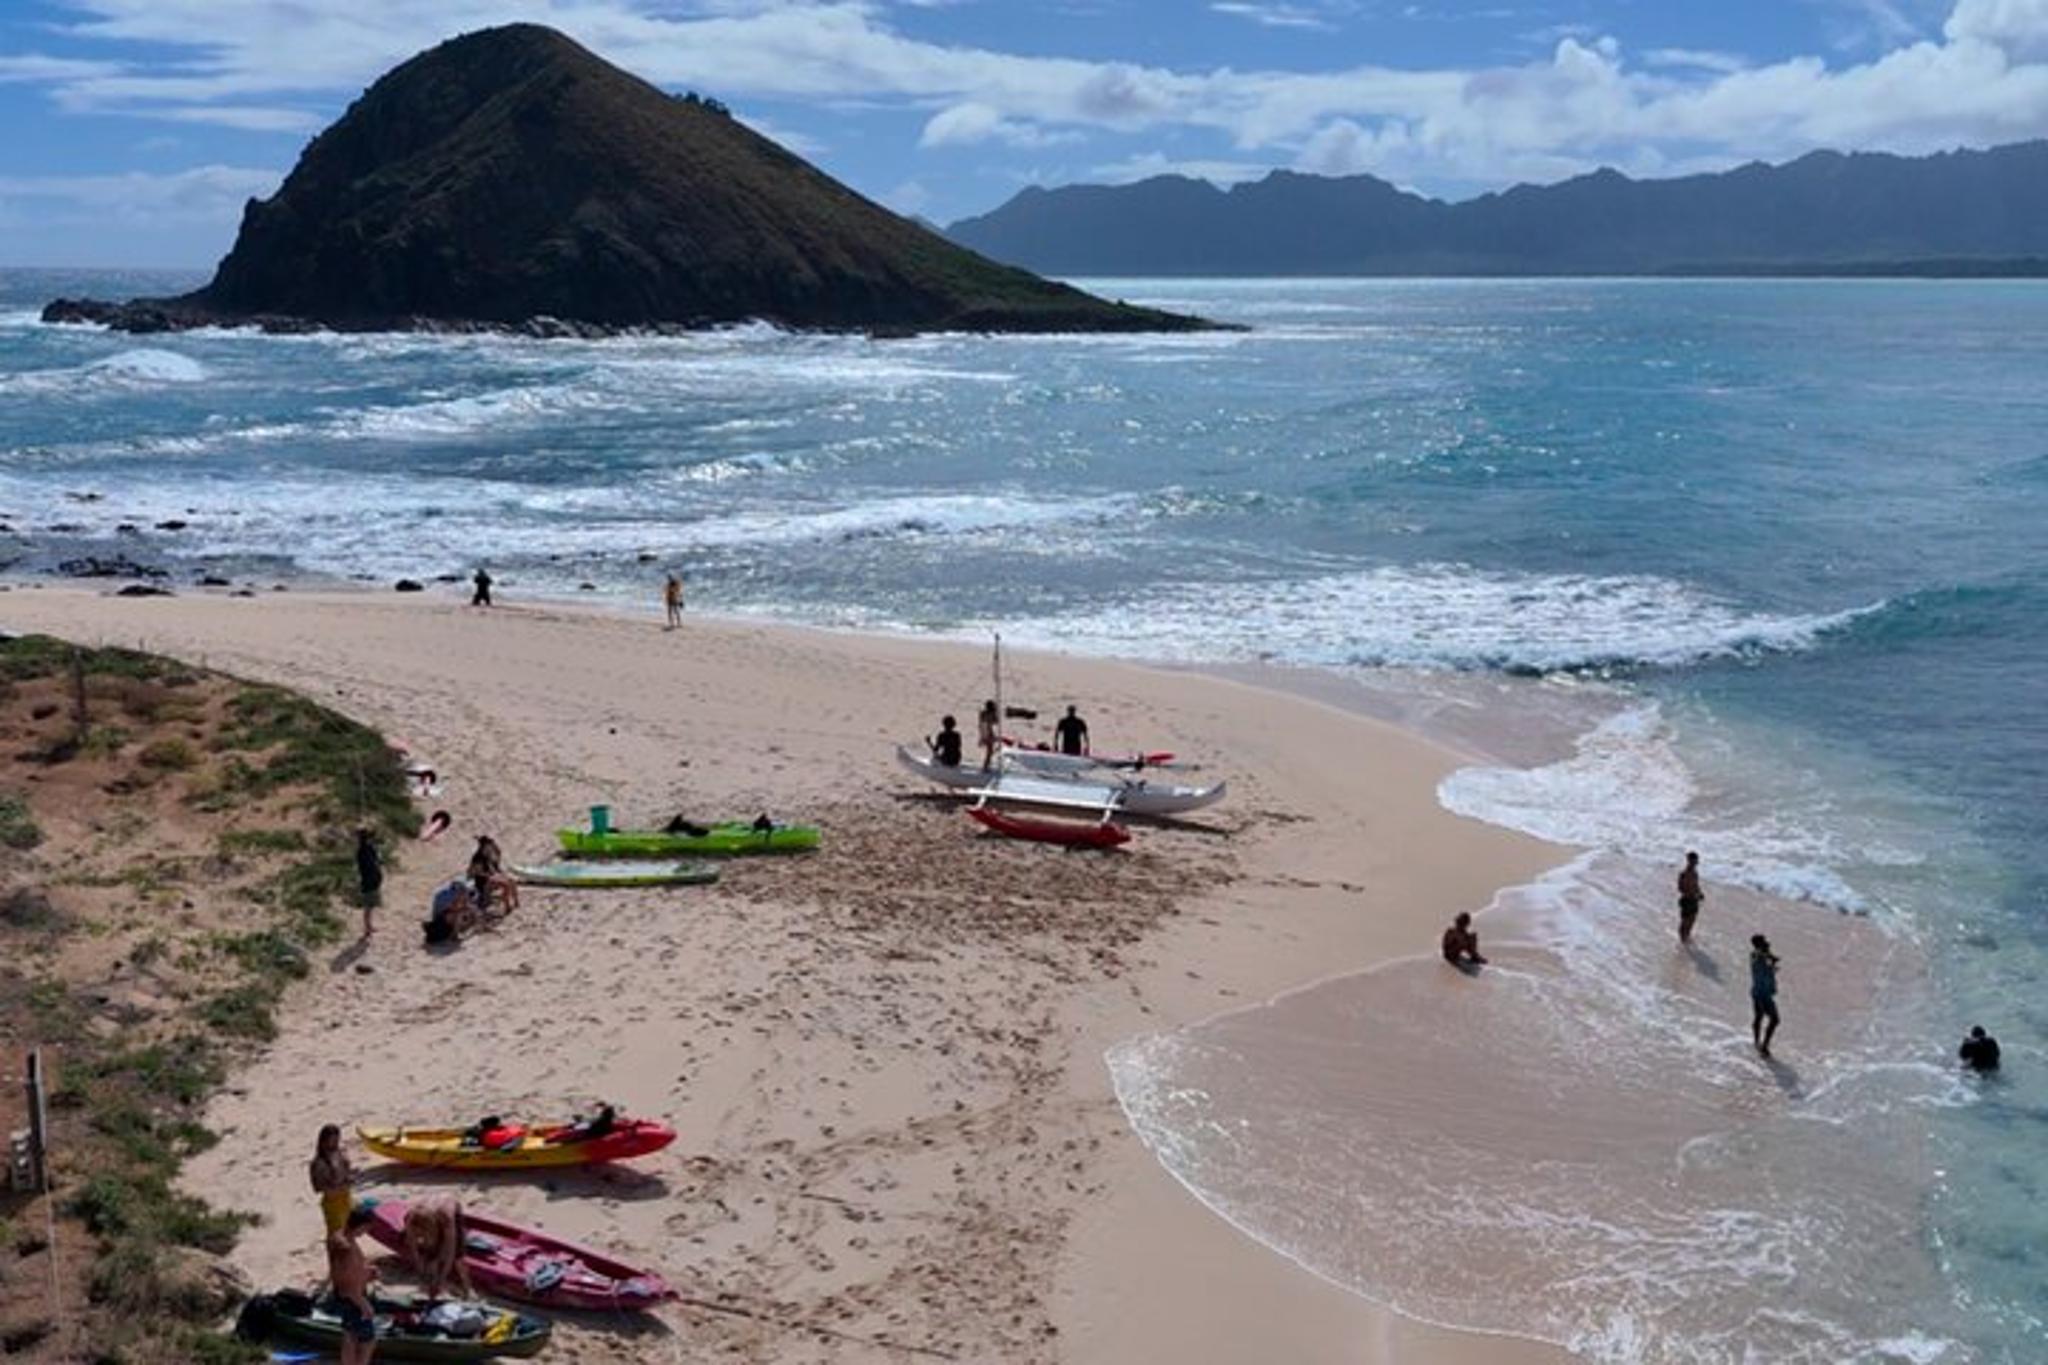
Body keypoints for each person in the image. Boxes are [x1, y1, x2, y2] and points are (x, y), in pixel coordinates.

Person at [327, 1203, 380, 1365]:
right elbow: (348, 1284)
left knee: (350, 1336)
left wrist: (365, 1272)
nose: (367, 1232)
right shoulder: (348, 1249)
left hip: (343, 1296)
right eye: (367, 1228)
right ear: (362, 1225)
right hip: (354, 1299)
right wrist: (364, 1304)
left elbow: (343, 1272)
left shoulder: (338, 1237)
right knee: (367, 1341)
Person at [402, 1199, 473, 1300]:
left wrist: (441, 1279)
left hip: (450, 1210)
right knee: (430, 1254)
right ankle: (432, 1287)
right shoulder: (410, 1218)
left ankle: (467, 1290)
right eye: (418, 1235)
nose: (419, 1237)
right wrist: (419, 1266)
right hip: (431, 1219)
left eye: (422, 1234)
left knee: (458, 1260)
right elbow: (413, 1245)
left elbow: (450, 1253)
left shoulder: (446, 1219)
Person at [309, 1124, 355, 1236]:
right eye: (332, 1140)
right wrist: (338, 1187)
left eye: (337, 1139)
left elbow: (346, 1173)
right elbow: (320, 1188)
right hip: (333, 1202)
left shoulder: (340, 1154)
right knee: (336, 1233)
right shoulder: (319, 1162)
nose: (335, 1142)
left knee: (349, 1230)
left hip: (346, 1197)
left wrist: (349, 1178)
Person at [1749, 934, 1781, 1057]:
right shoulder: (1756, 955)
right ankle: (1763, 1045)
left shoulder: (1763, 956)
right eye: (1764, 942)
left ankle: (1759, 1043)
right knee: (1774, 1019)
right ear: (1758, 944)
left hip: (1763, 993)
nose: (1767, 943)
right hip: (1761, 994)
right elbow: (1758, 954)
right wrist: (1767, 955)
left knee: (1760, 1017)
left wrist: (1772, 962)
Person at [425, 879, 477, 946]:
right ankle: (454, 936)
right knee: (459, 914)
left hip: (441, 918)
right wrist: (467, 907)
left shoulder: (448, 893)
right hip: (441, 922)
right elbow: (454, 909)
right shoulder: (450, 897)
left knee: (464, 913)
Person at [355, 829, 382, 938]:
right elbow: (376, 862)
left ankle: (368, 927)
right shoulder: (367, 850)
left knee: (369, 906)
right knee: (368, 906)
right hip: (370, 880)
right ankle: (367, 927)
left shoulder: (362, 850)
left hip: (369, 880)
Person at [1677, 850, 1703, 945]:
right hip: (1687, 899)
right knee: (1685, 920)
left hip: (1694, 899)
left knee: (1692, 919)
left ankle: (1687, 935)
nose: (1696, 862)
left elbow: (1696, 885)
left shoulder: (1695, 873)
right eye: (1694, 860)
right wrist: (1689, 892)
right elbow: (1680, 888)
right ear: (1689, 861)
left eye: (1696, 860)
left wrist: (1700, 893)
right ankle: (1682, 939)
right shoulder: (1683, 874)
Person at [977, 699, 1000, 771]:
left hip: (985, 732)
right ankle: (985, 766)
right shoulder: (990, 714)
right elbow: (996, 721)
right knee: (990, 751)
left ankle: (987, 764)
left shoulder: (983, 713)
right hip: (988, 733)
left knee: (990, 750)